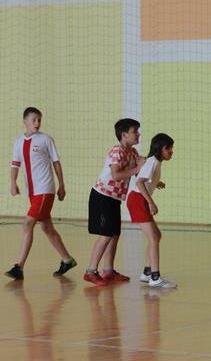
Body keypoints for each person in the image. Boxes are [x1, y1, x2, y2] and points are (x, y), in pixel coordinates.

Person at [5, 107, 76, 280]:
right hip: (32, 192)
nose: (37, 123)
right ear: (25, 121)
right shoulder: (18, 142)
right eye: (34, 120)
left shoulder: (45, 139)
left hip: (45, 190)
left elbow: (56, 163)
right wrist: (13, 183)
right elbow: (15, 164)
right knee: (47, 228)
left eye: (39, 120)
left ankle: (19, 267)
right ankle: (67, 260)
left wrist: (62, 185)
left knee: (28, 223)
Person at [84, 118, 145, 286]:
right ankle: (90, 271)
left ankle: (108, 271)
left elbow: (140, 168)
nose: (138, 134)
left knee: (114, 234)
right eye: (135, 131)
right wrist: (138, 168)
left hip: (114, 199)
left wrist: (153, 177)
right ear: (124, 135)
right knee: (105, 235)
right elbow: (116, 175)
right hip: (102, 196)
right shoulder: (116, 151)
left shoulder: (133, 152)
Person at [126, 133, 177, 289]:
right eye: (169, 148)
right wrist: (151, 203)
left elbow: (144, 178)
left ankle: (147, 273)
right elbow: (140, 183)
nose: (171, 151)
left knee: (156, 236)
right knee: (154, 238)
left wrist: (156, 182)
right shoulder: (152, 162)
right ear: (161, 149)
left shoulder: (155, 162)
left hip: (139, 199)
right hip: (137, 200)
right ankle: (155, 277)